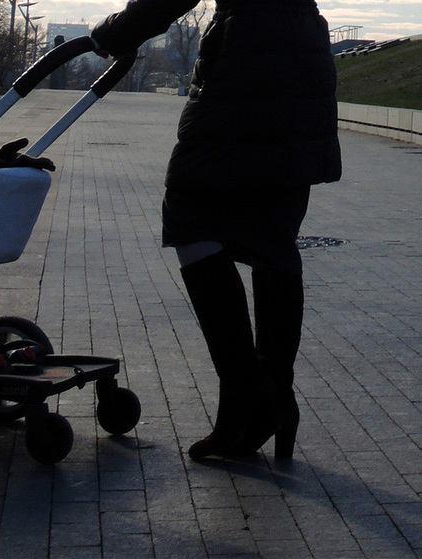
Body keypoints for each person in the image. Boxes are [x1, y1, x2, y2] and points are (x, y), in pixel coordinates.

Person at [91, 0, 342, 460]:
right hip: (303, 64)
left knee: (189, 211)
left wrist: (114, 34)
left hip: (247, 68)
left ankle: (246, 397)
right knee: (274, 237)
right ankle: (273, 399)